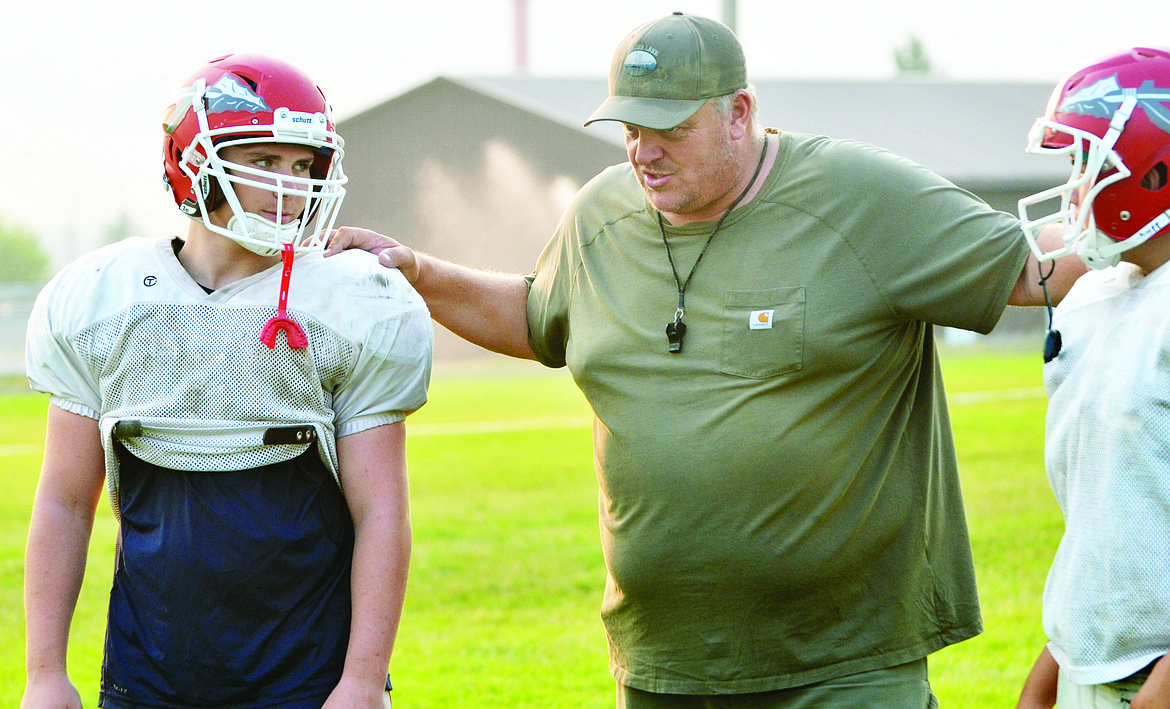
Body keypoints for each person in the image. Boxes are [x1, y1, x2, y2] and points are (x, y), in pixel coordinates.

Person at [329, 12, 1082, 707]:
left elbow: (1029, 268)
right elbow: (537, 317)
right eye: (629, 127)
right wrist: (420, 272)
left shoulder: (861, 197)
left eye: (670, 128)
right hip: (666, 665)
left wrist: (1144, 230)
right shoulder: (600, 213)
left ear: (739, 114)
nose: (642, 151)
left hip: (845, 665)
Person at [21, 54, 432, 709]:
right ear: (192, 163)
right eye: (265, 162)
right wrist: (44, 671)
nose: (290, 187)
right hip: (146, 669)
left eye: (303, 166)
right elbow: (65, 500)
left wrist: (360, 680)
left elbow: (382, 510)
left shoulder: (351, 303)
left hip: (306, 674)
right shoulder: (105, 299)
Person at [1014, 48, 1170, 709]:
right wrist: (1053, 665)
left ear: (1154, 169)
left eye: (1088, 162)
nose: (1074, 184)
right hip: (1090, 663)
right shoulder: (1088, 300)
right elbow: (1105, 514)